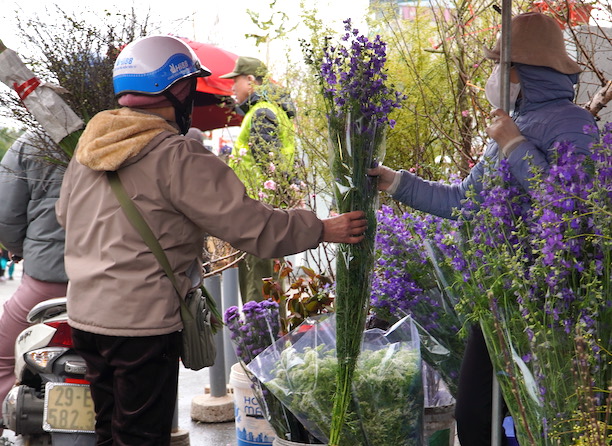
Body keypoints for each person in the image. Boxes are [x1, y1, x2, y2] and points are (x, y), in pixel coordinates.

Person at [55, 35, 366, 446]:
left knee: (109, 431)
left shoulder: (89, 150)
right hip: (141, 325)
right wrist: (323, 229)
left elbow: (65, 216)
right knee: (140, 437)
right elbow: (250, 225)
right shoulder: (176, 155)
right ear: (179, 90)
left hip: (85, 318)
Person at [368, 12, 598, 446]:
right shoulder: (513, 123)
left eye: (501, 66)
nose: (494, 76)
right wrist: (395, 181)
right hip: (498, 297)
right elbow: (465, 202)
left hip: (549, 302)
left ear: (523, 71)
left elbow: (572, 207)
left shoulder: (571, 123)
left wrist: (515, 145)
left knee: (547, 423)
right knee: (474, 417)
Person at [0, 132, 69, 436]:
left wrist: (19, 249)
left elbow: (7, 213)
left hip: (46, 281)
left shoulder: (34, 140)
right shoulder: (136, 132)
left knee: (3, 359)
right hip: (119, 283)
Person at [220, 56, 299, 303]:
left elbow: (269, 161)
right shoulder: (274, 110)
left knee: (258, 285)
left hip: (257, 212)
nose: (232, 87)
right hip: (269, 210)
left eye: (236, 80)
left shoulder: (261, 113)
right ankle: (274, 336)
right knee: (271, 283)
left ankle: (260, 340)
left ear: (251, 80)